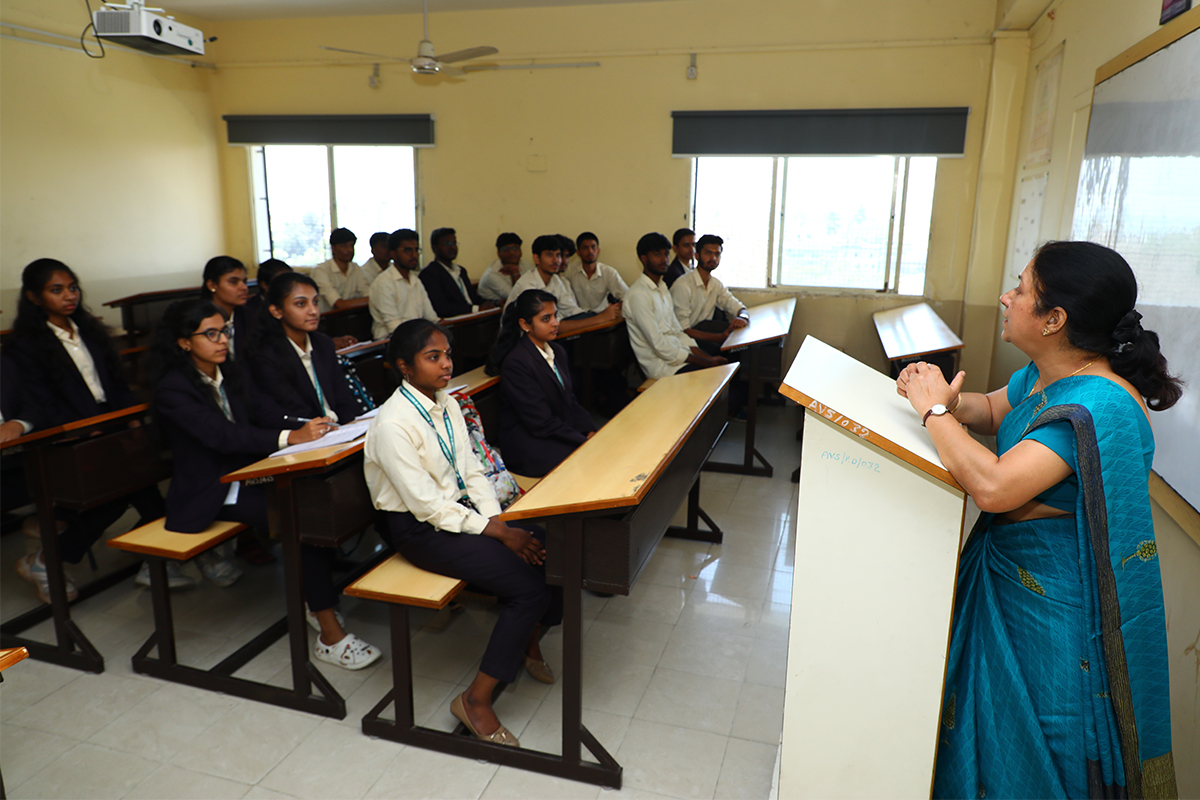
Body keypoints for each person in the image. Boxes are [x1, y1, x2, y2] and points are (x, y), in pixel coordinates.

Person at [896, 241, 1180, 799]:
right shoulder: (1047, 374)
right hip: (1006, 585)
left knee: (1035, 755)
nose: (1006, 296)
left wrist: (931, 412)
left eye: (1021, 289)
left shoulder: (1097, 408)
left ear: (1054, 320)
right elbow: (994, 409)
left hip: (1052, 621)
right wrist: (950, 402)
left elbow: (996, 486)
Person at [152, 298, 382, 669]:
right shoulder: (173, 388)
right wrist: (289, 437)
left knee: (317, 501)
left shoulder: (230, 372)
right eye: (210, 334)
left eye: (224, 331)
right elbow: (221, 436)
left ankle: (316, 597)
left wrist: (308, 425)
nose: (222, 340)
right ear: (183, 342)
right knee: (302, 522)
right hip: (212, 487)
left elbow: (264, 412)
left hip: (252, 471)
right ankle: (327, 633)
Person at [364, 319, 562, 747]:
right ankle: (475, 701)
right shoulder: (392, 424)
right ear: (404, 366)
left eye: (448, 355)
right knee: (529, 586)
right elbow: (427, 506)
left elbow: (472, 470)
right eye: (432, 357)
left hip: (465, 512)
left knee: (550, 547)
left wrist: (500, 524)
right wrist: (496, 532)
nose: (446, 365)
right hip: (420, 530)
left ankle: (526, 637)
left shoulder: (448, 403)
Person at [9, 259, 167, 601]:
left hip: (109, 422)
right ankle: (161, 558)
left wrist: (131, 419)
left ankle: (161, 558)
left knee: (138, 489)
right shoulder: (27, 345)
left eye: (72, 288)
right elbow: (40, 401)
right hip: (71, 433)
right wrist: (86, 433)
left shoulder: (88, 331)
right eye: (57, 290)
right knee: (127, 493)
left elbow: (115, 382)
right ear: (35, 297)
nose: (69, 296)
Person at [487, 290, 597, 477]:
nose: (555, 323)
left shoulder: (558, 351)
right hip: (527, 440)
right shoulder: (517, 363)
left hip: (553, 428)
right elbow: (540, 422)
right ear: (525, 324)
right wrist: (581, 440)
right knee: (582, 459)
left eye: (556, 315)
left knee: (599, 444)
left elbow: (570, 400)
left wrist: (590, 429)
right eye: (546, 319)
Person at [246, 272, 360, 424]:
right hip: (307, 434)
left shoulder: (323, 343)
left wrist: (350, 426)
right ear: (276, 311)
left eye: (315, 302)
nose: (313, 311)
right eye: (301, 304)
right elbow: (292, 409)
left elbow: (343, 398)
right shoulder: (266, 355)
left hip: (340, 429)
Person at [623, 232, 727, 380]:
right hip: (663, 368)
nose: (664, 259)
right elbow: (659, 346)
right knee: (714, 379)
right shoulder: (638, 295)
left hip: (679, 357)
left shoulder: (662, 287)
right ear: (644, 259)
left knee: (722, 372)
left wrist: (708, 359)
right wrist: (706, 362)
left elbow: (678, 332)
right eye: (657, 255)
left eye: (666, 254)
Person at [505, 235, 619, 336]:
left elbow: (572, 311)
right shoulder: (528, 285)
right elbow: (550, 326)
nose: (556, 261)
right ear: (536, 258)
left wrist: (599, 317)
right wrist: (601, 318)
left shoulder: (555, 280)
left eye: (558, 255)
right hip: (520, 340)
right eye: (549, 255)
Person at [671, 234, 748, 355]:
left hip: (703, 333)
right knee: (729, 351)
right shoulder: (683, 285)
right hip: (685, 341)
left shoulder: (715, 284)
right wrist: (719, 337)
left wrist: (743, 317)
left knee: (740, 345)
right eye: (708, 253)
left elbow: (735, 305)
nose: (713, 258)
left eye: (717, 254)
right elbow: (683, 330)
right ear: (697, 256)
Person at [368, 228, 439, 341]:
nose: (414, 255)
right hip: (390, 343)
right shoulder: (383, 283)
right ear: (393, 254)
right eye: (408, 250)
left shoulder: (416, 280)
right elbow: (395, 328)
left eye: (416, 250)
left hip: (419, 339)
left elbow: (431, 318)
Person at [420, 227, 490, 318]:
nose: (452, 247)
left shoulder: (461, 271)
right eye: (447, 243)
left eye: (454, 243)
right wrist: (475, 309)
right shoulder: (429, 274)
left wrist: (492, 303)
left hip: (473, 318)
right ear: (435, 248)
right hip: (455, 324)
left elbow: (472, 298)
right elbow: (442, 308)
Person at [201, 256, 253, 360]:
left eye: (244, 281)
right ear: (212, 285)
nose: (244, 288)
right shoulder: (198, 318)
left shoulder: (250, 316)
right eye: (233, 282)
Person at [566, 231, 628, 314]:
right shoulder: (569, 271)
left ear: (598, 251)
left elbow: (627, 296)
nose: (590, 251)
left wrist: (618, 307)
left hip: (603, 317)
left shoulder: (608, 272)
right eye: (585, 248)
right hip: (579, 318)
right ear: (578, 253)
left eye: (593, 247)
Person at [312, 228, 371, 313]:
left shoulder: (355, 268)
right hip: (326, 321)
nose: (350, 250)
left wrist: (369, 299)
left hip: (351, 318)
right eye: (344, 246)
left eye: (352, 245)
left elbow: (370, 296)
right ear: (333, 248)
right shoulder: (321, 270)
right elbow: (339, 304)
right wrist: (367, 300)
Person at [478, 232, 532, 304]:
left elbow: (535, 287)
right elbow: (517, 296)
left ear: (521, 251)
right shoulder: (491, 274)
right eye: (506, 249)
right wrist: (514, 272)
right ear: (499, 253)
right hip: (494, 312)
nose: (512, 252)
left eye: (515, 248)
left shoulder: (524, 263)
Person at [245, 258, 292, 322]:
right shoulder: (251, 310)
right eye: (282, 281)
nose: (288, 286)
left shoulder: (290, 304)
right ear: (265, 285)